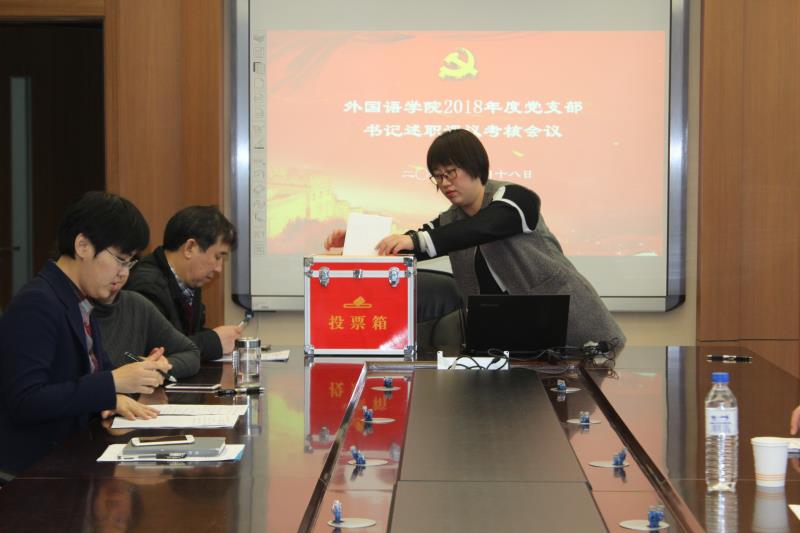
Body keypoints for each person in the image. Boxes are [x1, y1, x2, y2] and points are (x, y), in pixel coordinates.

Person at [325, 129, 625, 347]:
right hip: (513, 344)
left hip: (578, 333)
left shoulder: (515, 198)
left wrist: (417, 241)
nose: (444, 183)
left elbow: (486, 226)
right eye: (437, 176)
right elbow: (413, 243)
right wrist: (361, 241)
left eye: (451, 172)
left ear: (475, 166)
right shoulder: (450, 221)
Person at [0, 192, 171, 477]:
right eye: (120, 260)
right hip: (35, 474)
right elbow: (25, 401)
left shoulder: (78, 300)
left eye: (130, 263)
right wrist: (112, 383)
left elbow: (88, 381)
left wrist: (135, 379)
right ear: (82, 245)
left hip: (72, 458)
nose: (124, 274)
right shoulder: (38, 302)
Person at [126, 205, 241, 360]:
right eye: (217, 257)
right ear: (189, 248)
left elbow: (185, 336)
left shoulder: (190, 281)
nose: (219, 269)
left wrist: (223, 338)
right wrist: (214, 341)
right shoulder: (147, 286)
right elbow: (156, 351)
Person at [93, 265, 202, 378]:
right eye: (118, 259)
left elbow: (191, 352)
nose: (123, 273)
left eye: (127, 263)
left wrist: (160, 366)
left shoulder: (136, 304)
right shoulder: (81, 311)